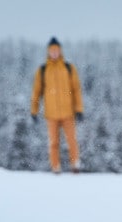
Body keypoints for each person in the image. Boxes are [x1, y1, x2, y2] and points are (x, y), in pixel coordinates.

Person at [31, 37, 84, 173]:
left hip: (68, 112)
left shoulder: (68, 68)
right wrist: (34, 110)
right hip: (51, 113)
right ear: (48, 52)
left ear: (60, 51)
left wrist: (79, 109)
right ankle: (55, 167)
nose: (54, 53)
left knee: (72, 140)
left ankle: (75, 165)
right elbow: (36, 92)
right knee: (53, 142)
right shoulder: (43, 70)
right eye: (52, 51)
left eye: (56, 50)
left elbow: (76, 89)